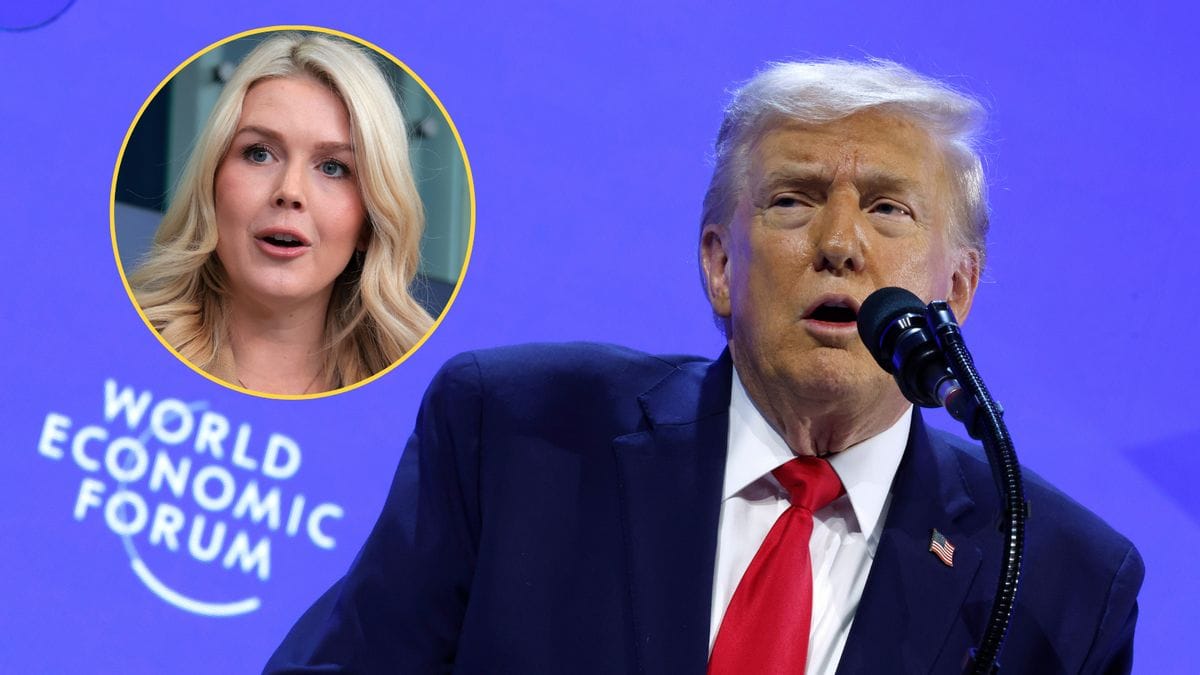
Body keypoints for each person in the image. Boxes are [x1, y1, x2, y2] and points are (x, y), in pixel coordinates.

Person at [266, 60, 1143, 673]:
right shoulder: (518, 433)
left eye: (888, 209)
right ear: (721, 265)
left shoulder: (1060, 581)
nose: (840, 244)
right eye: (793, 200)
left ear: (957, 286)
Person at [131, 32, 432, 395]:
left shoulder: (429, 390)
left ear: (370, 223)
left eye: (333, 167)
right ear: (211, 183)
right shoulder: (121, 350)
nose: (289, 191)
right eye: (259, 153)